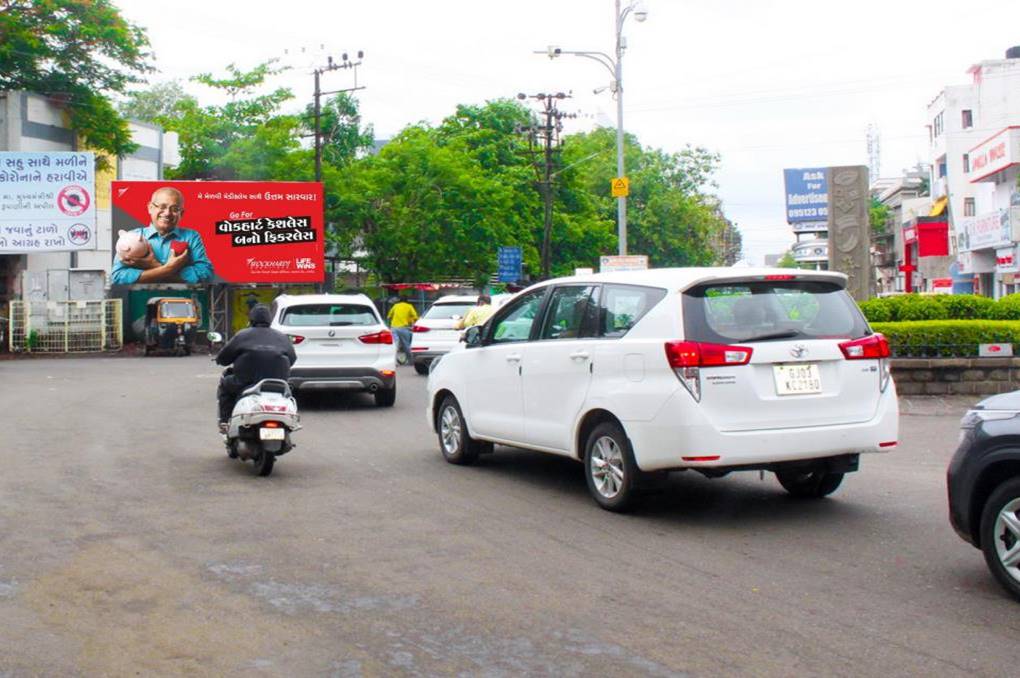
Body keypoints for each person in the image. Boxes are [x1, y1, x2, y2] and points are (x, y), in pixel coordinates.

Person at [215, 304, 296, 433]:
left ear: (251, 319)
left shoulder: (242, 335)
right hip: (278, 383)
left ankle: (225, 421)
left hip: (245, 382)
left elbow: (224, 358)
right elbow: (292, 359)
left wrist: (219, 359)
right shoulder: (282, 337)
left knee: (225, 384)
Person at [112, 186, 214, 285]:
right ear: (150, 208)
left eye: (175, 209)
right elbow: (117, 277)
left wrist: (153, 266)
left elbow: (206, 275)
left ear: (181, 213)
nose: (167, 213)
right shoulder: (131, 237)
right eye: (162, 207)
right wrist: (167, 269)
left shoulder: (192, 237)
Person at [387, 295, 418, 360]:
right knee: (406, 345)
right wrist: (411, 321)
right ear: (407, 300)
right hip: (404, 328)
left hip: (394, 328)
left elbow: (389, 316)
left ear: (399, 300)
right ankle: (411, 361)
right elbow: (415, 317)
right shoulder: (409, 306)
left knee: (395, 345)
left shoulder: (395, 306)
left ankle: (393, 360)